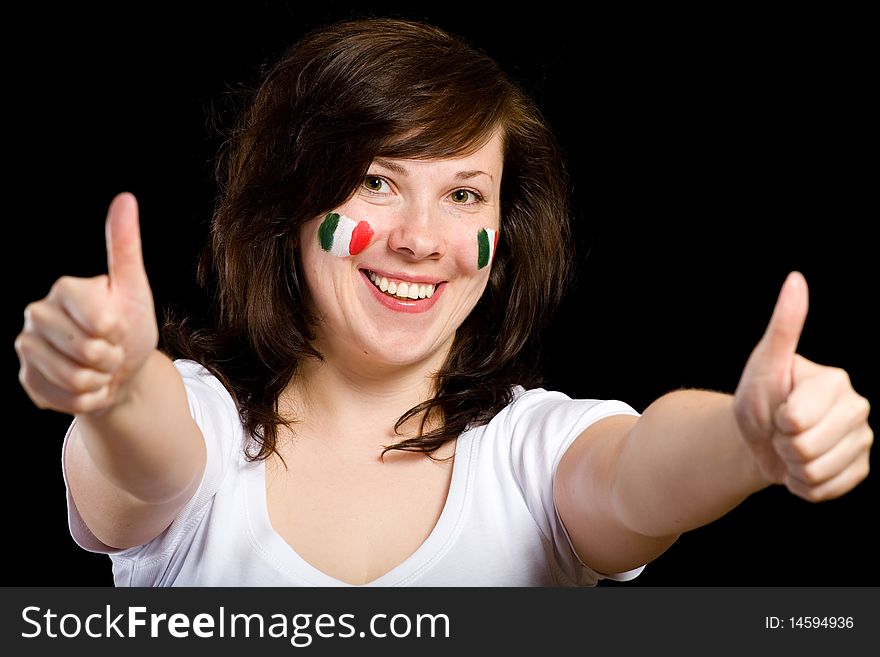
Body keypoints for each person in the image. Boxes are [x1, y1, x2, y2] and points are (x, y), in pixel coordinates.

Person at [15, 18, 871, 587]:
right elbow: (142, 452)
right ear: (289, 207)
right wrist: (117, 384)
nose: (422, 239)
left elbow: (641, 472)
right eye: (377, 182)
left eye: (464, 196)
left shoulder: (532, 457)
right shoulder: (201, 432)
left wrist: (748, 440)